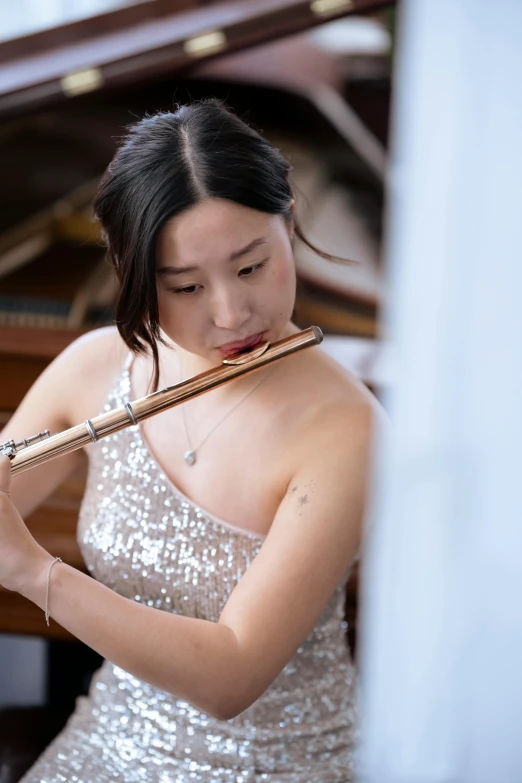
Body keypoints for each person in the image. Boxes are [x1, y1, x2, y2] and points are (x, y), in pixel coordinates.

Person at [0, 99, 383, 782]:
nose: (232, 312)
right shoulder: (95, 364)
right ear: (134, 274)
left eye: (251, 266)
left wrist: (35, 571)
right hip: (111, 736)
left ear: (289, 219)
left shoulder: (347, 428)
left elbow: (231, 674)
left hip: (275, 763)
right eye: (185, 285)